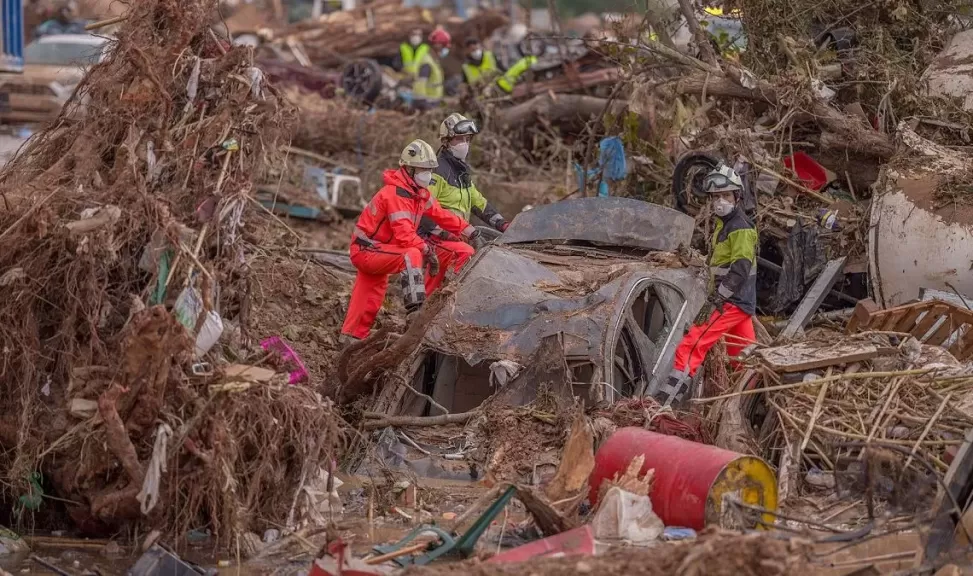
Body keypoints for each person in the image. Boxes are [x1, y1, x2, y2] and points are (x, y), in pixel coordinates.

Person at [340, 139, 482, 342]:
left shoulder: (418, 194)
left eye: (430, 170)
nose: (428, 175)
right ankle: (415, 311)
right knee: (411, 254)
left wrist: (470, 231)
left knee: (368, 298)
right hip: (368, 250)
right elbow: (405, 235)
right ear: (408, 169)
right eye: (423, 170)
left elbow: (441, 215)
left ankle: (350, 338)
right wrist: (427, 251)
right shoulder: (395, 194)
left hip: (380, 249)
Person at [654, 164, 758, 407]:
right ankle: (752, 403)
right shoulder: (725, 224)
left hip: (731, 301)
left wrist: (717, 299)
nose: (720, 202)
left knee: (692, 344)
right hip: (740, 302)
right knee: (744, 358)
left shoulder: (740, 228)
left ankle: (665, 404)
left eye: (725, 196)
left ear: (737, 197)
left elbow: (740, 268)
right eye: (715, 197)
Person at [422, 113, 509, 259]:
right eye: (459, 139)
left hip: (460, 234)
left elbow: (478, 202)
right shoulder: (437, 171)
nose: (464, 144)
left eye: (467, 139)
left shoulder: (462, 172)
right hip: (436, 239)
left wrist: (502, 223)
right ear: (446, 141)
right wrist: (445, 234)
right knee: (469, 254)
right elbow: (423, 209)